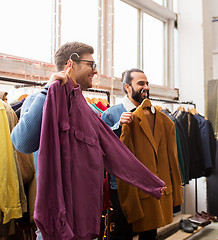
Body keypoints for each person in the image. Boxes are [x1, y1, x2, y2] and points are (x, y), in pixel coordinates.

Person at [11, 42, 165, 240]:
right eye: (91, 65)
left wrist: (150, 183)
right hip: (56, 223)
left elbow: (111, 148)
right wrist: (48, 89)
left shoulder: (88, 110)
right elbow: (22, 142)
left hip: (86, 221)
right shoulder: (39, 100)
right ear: (70, 64)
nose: (96, 70)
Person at [101, 68, 150, 240]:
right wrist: (117, 126)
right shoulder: (111, 114)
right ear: (127, 87)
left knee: (150, 230)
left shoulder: (153, 114)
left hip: (147, 183)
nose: (146, 87)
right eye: (141, 83)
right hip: (121, 185)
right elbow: (101, 146)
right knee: (123, 231)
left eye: (147, 83)